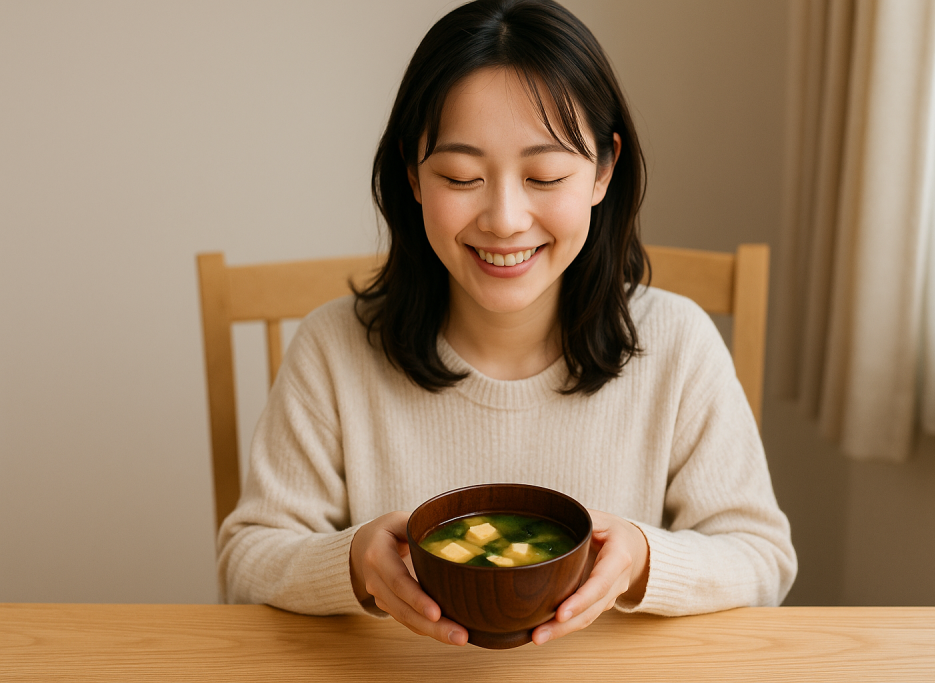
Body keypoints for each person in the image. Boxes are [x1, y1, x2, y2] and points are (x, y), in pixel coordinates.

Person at [218, 0, 796, 648]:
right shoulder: (333, 349)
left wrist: (640, 558)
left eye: (544, 175)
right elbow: (247, 560)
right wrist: (354, 564)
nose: (504, 218)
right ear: (412, 172)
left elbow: (762, 557)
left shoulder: (680, 345)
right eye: (462, 176)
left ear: (603, 170)